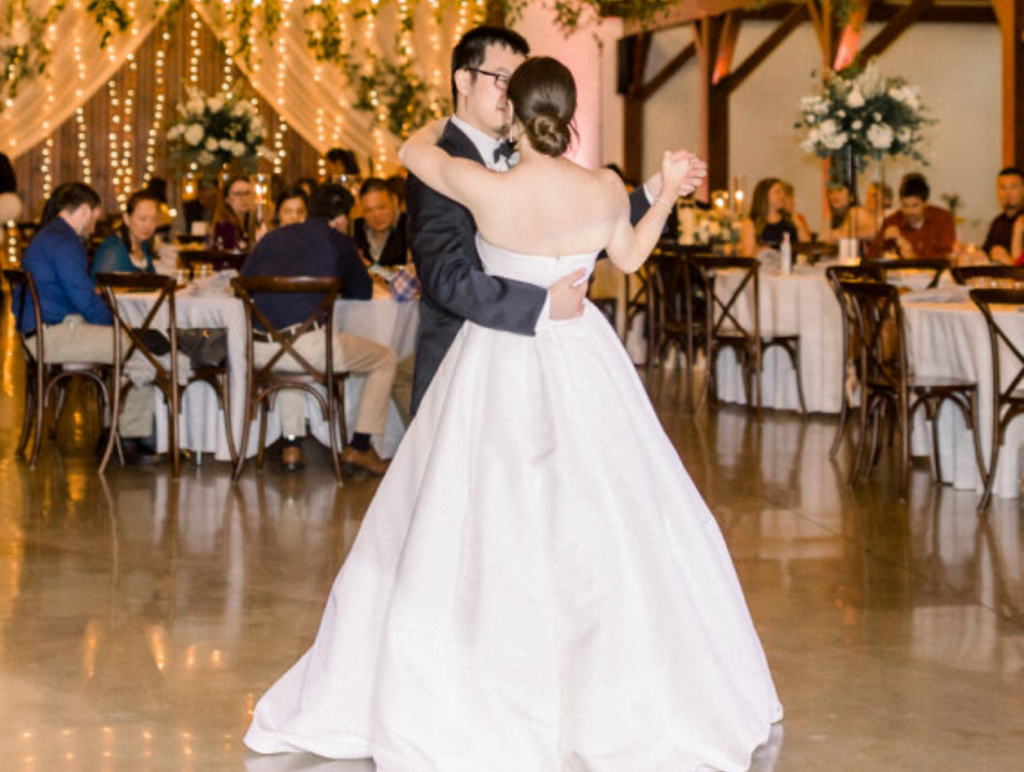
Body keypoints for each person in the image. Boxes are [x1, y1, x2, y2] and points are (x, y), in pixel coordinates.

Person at [244, 57, 778, 768]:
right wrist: (667, 192)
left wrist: (466, 100)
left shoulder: (487, 188)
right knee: (610, 512)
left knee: (480, 514)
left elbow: (409, 149)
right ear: (571, 112)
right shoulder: (606, 187)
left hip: (501, 356)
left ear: (518, 113)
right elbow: (630, 254)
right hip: (584, 352)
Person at [405, 24, 660, 417]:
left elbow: (579, 239)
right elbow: (446, 279)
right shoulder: (439, 163)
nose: (513, 94)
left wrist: (653, 195)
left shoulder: (525, 156)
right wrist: (541, 305)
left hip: (542, 370)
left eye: (519, 81)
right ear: (463, 79)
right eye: (502, 79)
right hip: (463, 369)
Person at [241, 182, 394, 474]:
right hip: (309, 349)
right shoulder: (339, 240)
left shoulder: (272, 238)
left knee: (290, 346)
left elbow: (243, 284)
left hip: (259, 349)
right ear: (341, 218)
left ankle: (292, 446)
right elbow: (362, 292)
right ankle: (360, 447)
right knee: (384, 358)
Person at [18, 182, 158, 464]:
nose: (94, 226)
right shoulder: (65, 242)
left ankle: (118, 428)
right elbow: (84, 299)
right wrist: (116, 325)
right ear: (84, 210)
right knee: (135, 346)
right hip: (51, 337)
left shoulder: (49, 237)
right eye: (94, 218)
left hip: (37, 333)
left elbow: (70, 294)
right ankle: (127, 436)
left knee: (128, 342)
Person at [872, 171, 956, 259]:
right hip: (898, 272)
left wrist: (914, 257)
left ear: (926, 203)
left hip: (936, 272)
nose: (909, 211)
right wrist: (882, 238)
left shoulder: (943, 219)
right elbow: (871, 257)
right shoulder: (892, 221)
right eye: (905, 206)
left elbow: (948, 256)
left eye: (915, 205)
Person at [91, 189, 160, 277]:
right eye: (143, 219)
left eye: (154, 219)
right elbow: (100, 289)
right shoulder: (112, 250)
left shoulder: (143, 246)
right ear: (127, 219)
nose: (148, 225)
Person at [352, 176, 409, 269]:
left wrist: (372, 269)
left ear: (394, 201)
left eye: (382, 207)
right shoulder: (355, 230)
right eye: (368, 210)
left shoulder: (411, 228)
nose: (376, 215)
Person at [739, 177, 799, 255]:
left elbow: (806, 246)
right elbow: (748, 254)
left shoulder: (789, 220)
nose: (782, 196)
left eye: (782, 192)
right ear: (765, 195)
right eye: (778, 192)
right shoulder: (751, 222)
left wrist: (793, 217)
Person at [209, 174, 263, 253]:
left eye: (247, 193)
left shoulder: (252, 223)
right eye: (238, 194)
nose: (243, 199)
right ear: (227, 199)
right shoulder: (224, 226)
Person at [981, 166, 1024, 263]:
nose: (1007, 193)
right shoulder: (998, 222)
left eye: (1013, 187)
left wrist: (1007, 259)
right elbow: (985, 251)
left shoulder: (1021, 222)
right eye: (1003, 187)